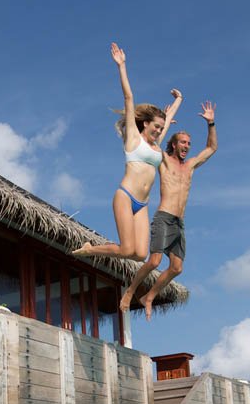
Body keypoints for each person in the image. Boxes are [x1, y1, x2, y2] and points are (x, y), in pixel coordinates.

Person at [72, 43, 181, 261]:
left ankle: (95, 250)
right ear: (145, 124)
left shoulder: (156, 145)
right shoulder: (134, 137)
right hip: (126, 196)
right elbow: (129, 98)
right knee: (125, 249)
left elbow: (167, 121)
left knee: (140, 254)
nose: (159, 131)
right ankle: (90, 249)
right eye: (156, 127)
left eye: (161, 128)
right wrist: (121, 65)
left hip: (142, 203)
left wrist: (178, 100)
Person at [119, 101, 217, 320]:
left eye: (189, 143)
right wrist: (165, 123)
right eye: (183, 142)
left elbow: (211, 148)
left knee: (177, 268)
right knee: (154, 261)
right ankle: (131, 291)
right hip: (163, 217)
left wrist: (211, 123)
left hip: (179, 222)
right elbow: (155, 139)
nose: (187, 146)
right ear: (174, 144)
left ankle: (149, 297)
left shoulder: (190, 165)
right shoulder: (163, 159)